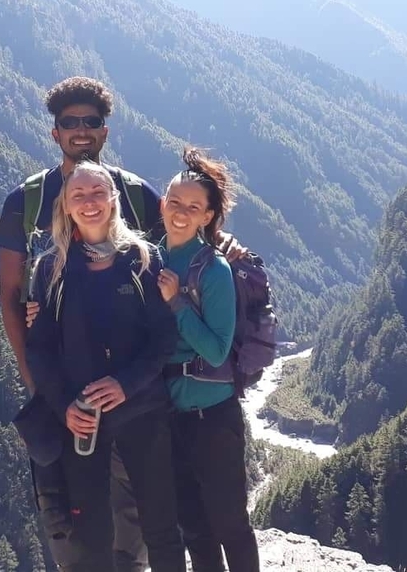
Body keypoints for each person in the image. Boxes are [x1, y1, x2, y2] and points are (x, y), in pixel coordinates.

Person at [0, 76, 160, 571]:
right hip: (58, 387)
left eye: (91, 122)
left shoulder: (133, 196)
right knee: (67, 521)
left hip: (130, 393)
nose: (81, 131)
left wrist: (229, 249)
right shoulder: (24, 202)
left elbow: (174, 265)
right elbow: (10, 297)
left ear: (104, 132)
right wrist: (46, 390)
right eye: (70, 123)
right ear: (55, 133)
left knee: (131, 527)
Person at [25, 161, 185, 572]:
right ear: (66, 206)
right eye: (78, 195)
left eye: (98, 192)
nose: (89, 202)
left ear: (114, 200)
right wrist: (65, 408)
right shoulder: (50, 269)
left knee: (161, 524)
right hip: (82, 419)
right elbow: (40, 350)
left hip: (142, 409)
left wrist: (125, 385)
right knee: (91, 531)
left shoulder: (143, 260)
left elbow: (163, 338)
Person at [156, 148, 261, 572]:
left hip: (212, 416)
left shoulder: (213, 269)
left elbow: (217, 349)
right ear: (163, 204)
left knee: (229, 524)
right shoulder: (151, 256)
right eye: (175, 203)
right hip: (171, 413)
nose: (181, 213)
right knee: (194, 526)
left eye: (193, 207)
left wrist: (178, 303)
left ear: (207, 216)